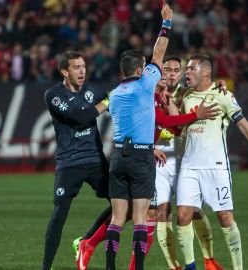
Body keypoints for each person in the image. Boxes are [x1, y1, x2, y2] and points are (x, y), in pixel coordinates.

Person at [175, 54, 248, 270]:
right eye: (187, 69)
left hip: (216, 167)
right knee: (183, 215)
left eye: (191, 69)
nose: (187, 72)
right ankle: (190, 267)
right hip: (189, 166)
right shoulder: (186, 97)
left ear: (205, 72)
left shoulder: (223, 95)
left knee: (225, 218)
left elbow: (243, 125)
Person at [105, 4, 173, 270]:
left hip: (118, 156)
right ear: (139, 69)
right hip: (141, 156)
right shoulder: (145, 85)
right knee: (141, 218)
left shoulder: (114, 95)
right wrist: (166, 23)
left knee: (117, 218)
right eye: (145, 67)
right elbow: (159, 51)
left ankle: (110, 268)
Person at [152, 57, 224, 270]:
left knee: (194, 212)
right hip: (159, 160)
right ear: (160, 71)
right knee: (162, 212)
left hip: (184, 159)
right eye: (167, 69)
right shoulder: (149, 94)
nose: (172, 74)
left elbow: (208, 89)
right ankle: (175, 266)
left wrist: (219, 84)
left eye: (176, 70)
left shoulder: (188, 93)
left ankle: (209, 259)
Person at [42, 50, 111, 270]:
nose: (82, 71)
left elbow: (118, 99)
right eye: (76, 67)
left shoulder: (92, 90)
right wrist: (107, 103)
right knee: (59, 215)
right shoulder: (54, 95)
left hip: (95, 161)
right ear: (65, 71)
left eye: (83, 66)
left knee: (124, 204)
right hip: (69, 163)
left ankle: (85, 241)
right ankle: (46, 268)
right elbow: (80, 118)